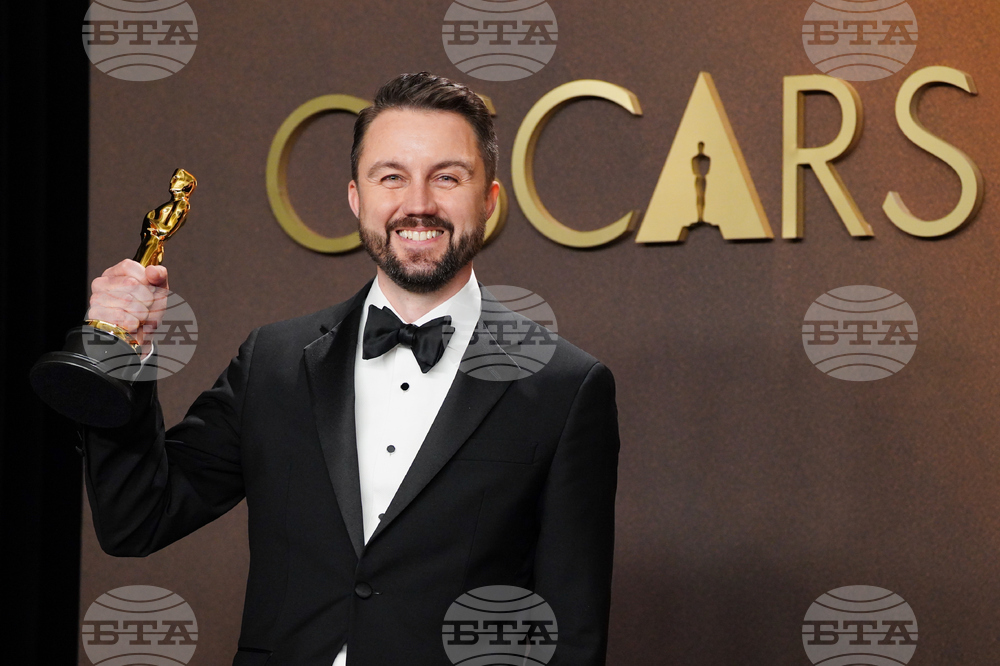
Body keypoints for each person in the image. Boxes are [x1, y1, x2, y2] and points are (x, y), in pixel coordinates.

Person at [83, 72, 620, 666]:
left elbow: (569, 632)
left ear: (488, 201)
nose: (418, 203)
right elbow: (138, 519)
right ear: (356, 199)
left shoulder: (565, 386)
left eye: (447, 177)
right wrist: (120, 357)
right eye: (391, 177)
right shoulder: (274, 363)